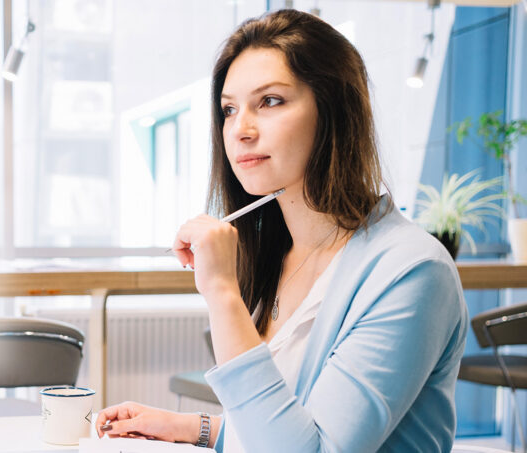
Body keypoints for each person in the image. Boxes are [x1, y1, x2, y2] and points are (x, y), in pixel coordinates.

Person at [95, 9, 467, 453]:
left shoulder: (413, 271)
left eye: (270, 101)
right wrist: (191, 428)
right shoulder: (277, 251)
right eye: (229, 109)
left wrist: (222, 293)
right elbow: (282, 429)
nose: (240, 130)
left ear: (334, 110)